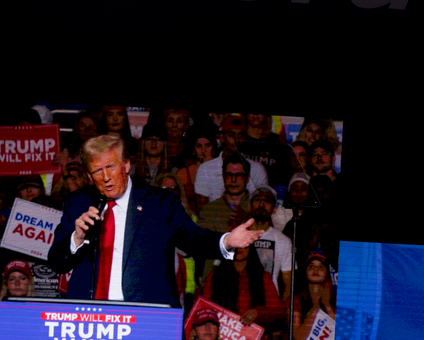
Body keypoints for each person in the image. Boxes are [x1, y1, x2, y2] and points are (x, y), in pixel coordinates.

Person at [47, 135, 263, 306]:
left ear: (126, 165)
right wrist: (77, 237)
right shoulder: (78, 202)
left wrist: (226, 241)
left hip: (144, 315)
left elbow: (192, 238)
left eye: (111, 167)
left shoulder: (160, 203)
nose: (105, 177)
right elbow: (57, 262)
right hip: (89, 314)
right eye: (97, 171)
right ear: (89, 175)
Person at [194, 115, 268, 211]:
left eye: (240, 135)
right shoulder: (206, 169)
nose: (236, 139)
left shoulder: (257, 169)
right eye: (231, 134)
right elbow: (202, 209)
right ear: (221, 137)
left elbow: (262, 206)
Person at [247, 186, 292, 302]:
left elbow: (288, 282)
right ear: (249, 205)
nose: (261, 205)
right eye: (257, 200)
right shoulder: (235, 235)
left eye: (266, 201)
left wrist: (279, 310)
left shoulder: (283, 241)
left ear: (274, 209)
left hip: (269, 304)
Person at [197, 154, 252, 234]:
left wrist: (246, 219)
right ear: (223, 177)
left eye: (239, 175)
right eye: (229, 175)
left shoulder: (256, 208)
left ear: (247, 178)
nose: (233, 180)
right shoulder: (209, 210)